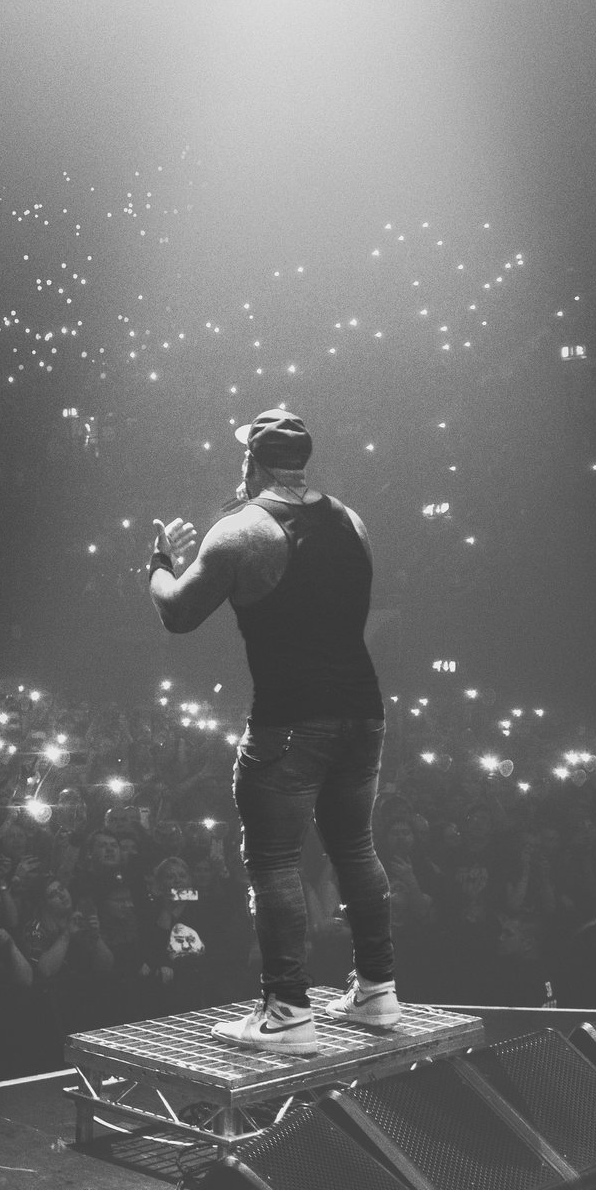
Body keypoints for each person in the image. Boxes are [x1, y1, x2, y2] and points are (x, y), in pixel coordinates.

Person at [149, 407, 395, 1054]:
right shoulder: (353, 521)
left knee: (276, 861)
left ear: (252, 461)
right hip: (363, 711)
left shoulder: (241, 531)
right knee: (356, 849)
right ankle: (377, 992)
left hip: (291, 720)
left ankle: (287, 1011)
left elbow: (177, 614)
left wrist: (159, 562)